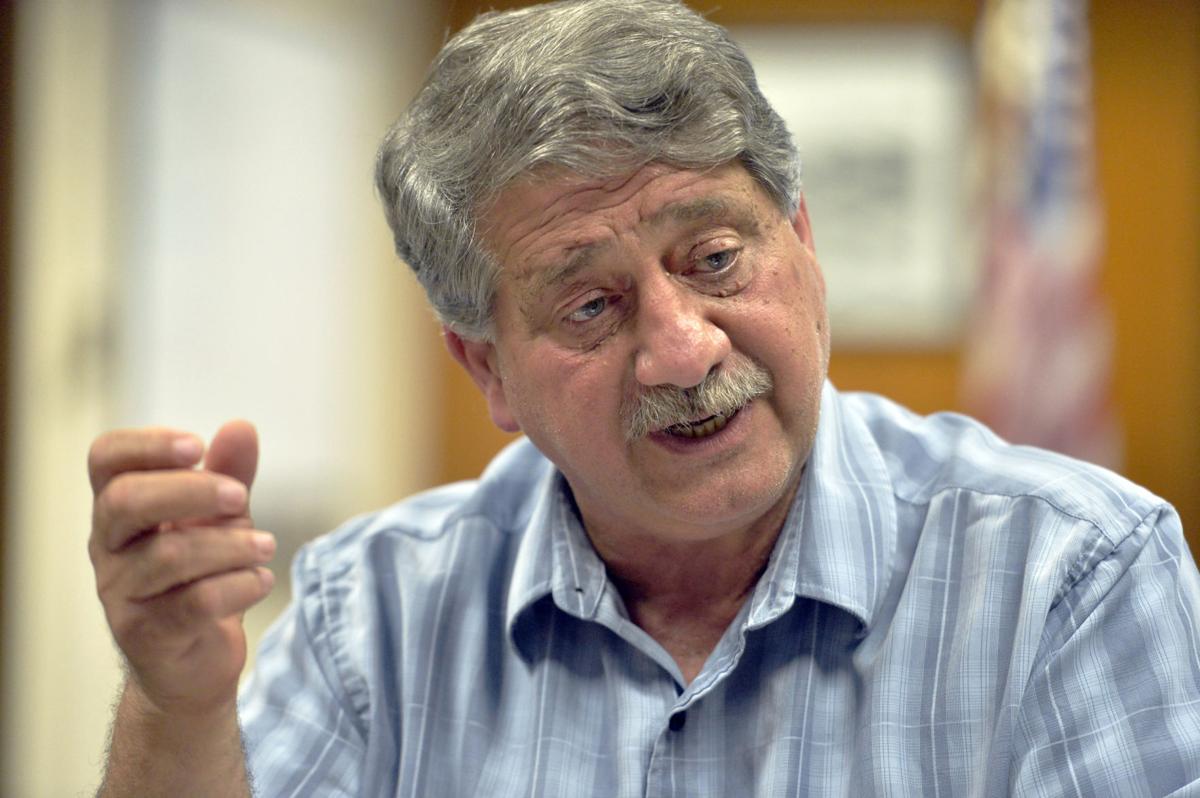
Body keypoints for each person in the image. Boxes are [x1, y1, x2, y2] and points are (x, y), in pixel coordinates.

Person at [88, 1, 1200, 795]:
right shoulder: (371, 611)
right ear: (488, 370)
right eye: (590, 306)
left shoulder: (1073, 576)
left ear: (803, 244)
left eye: (715, 258)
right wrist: (176, 703)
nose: (681, 349)